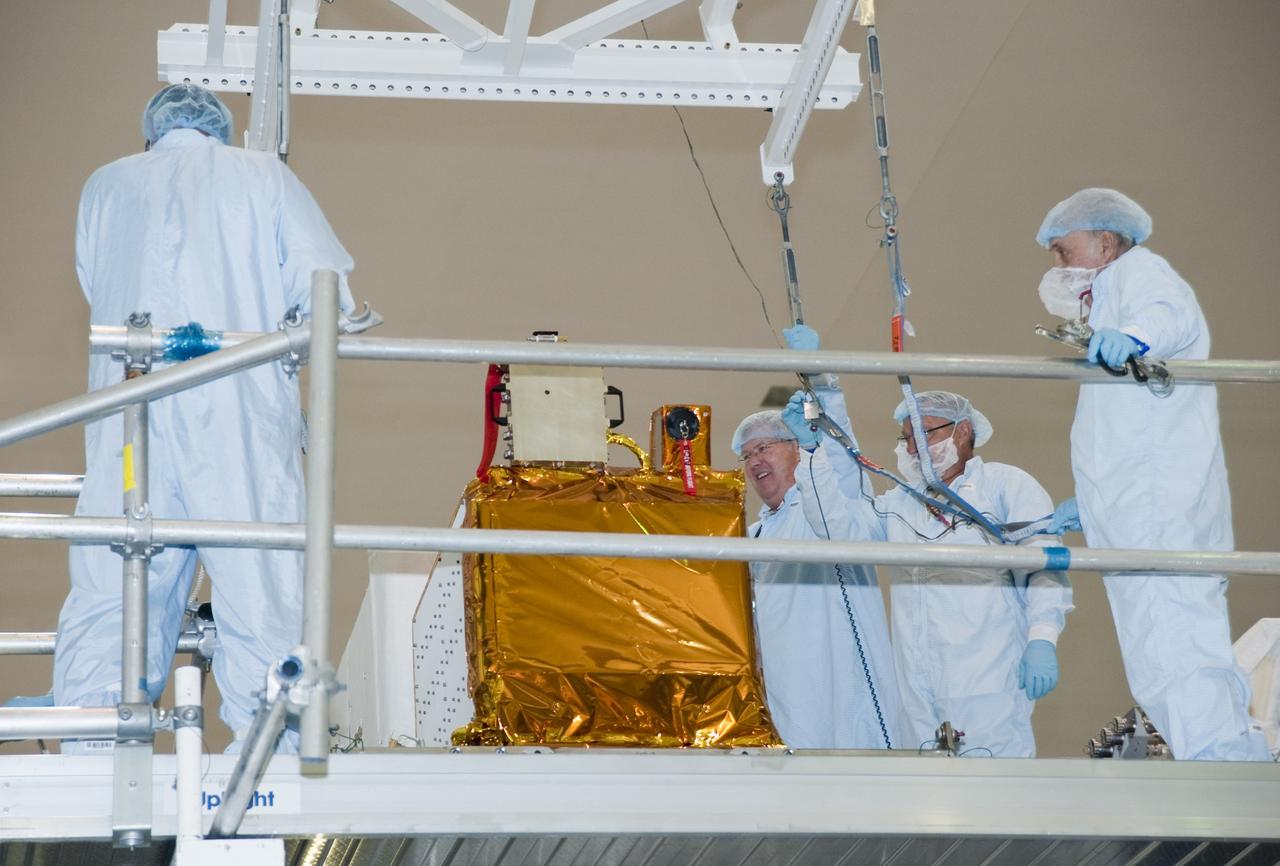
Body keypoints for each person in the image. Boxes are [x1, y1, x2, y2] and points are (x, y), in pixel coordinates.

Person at [53, 83, 355, 752]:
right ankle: (270, 747)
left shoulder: (106, 186)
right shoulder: (262, 176)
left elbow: (93, 279)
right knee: (260, 585)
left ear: (151, 134)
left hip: (130, 418)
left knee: (118, 586)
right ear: (221, 129)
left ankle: (94, 750)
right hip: (235, 412)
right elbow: (325, 293)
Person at [1036, 187, 1268, 761]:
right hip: (1135, 508)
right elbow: (1118, 434)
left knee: (1177, 635)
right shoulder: (1110, 296)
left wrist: (1137, 338)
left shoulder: (1140, 271)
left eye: (1064, 252)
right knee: (1155, 647)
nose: (1058, 268)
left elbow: (1170, 316)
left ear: (1106, 242)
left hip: (1160, 508)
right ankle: (1214, 759)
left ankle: (1227, 765)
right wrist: (1092, 503)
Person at [785, 364, 1073, 757]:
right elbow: (837, 528)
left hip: (986, 681)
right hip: (917, 690)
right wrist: (813, 453)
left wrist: (1042, 638)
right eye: (907, 439)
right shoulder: (902, 502)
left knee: (996, 796)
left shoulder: (1004, 485)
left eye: (925, 434)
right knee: (927, 802)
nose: (913, 447)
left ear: (963, 430)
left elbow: (1044, 566)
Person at [732, 326, 902, 749]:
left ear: (796, 447)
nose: (756, 460)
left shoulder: (826, 499)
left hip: (843, 687)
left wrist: (823, 381)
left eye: (766, 447)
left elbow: (842, 456)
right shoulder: (752, 536)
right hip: (785, 693)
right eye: (747, 455)